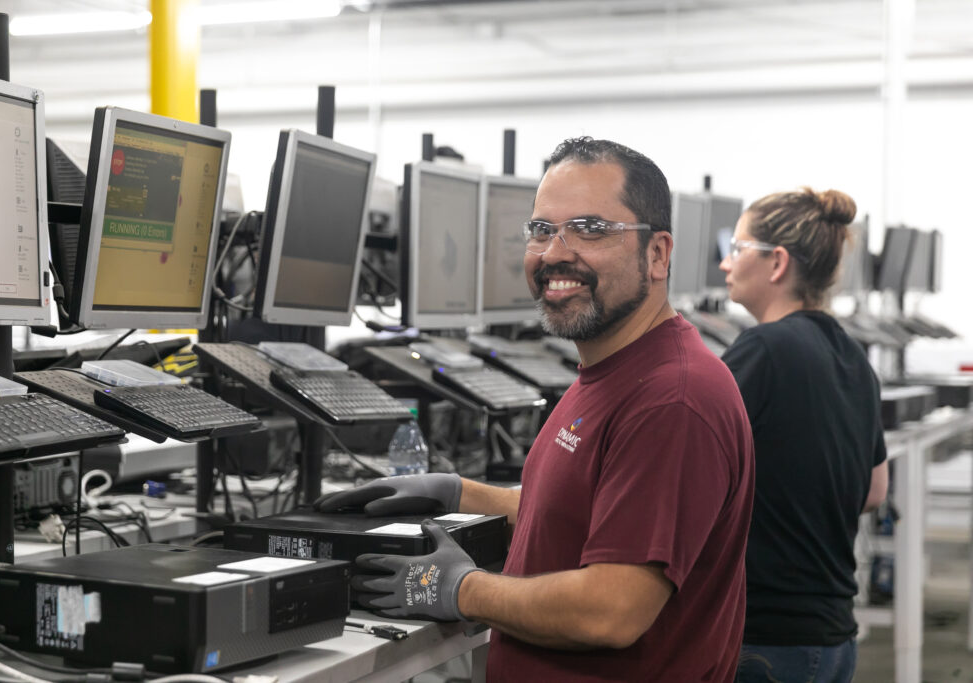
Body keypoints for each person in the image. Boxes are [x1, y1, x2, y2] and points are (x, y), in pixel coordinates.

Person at [316, 137, 755, 681]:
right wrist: (462, 493)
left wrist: (460, 588)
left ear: (657, 254)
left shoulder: (673, 401)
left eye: (591, 229)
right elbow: (585, 516)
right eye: (542, 229)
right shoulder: (613, 367)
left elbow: (611, 610)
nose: (553, 253)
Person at [718, 188, 888, 682]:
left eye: (737, 248)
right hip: (833, 637)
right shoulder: (853, 355)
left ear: (777, 263)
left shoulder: (761, 350)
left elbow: (683, 470)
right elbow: (875, 492)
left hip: (768, 640)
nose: (726, 265)